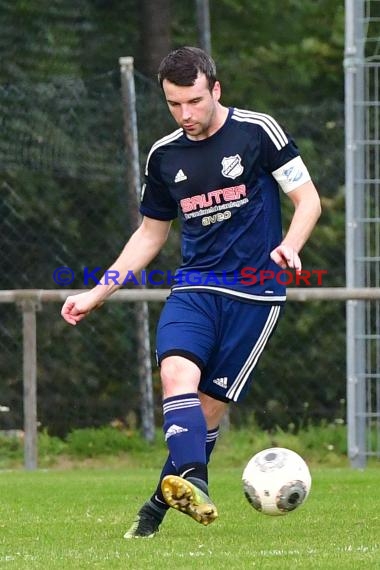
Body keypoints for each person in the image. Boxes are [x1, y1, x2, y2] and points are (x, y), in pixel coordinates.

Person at [61, 46, 321, 538]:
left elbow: (307, 200)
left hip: (255, 294)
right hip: (195, 285)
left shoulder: (257, 131)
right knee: (175, 372)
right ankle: (194, 479)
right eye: (175, 104)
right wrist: (98, 291)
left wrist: (290, 244)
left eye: (195, 102)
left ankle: (154, 510)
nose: (186, 115)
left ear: (216, 90)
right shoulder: (164, 155)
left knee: (204, 414)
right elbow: (150, 234)